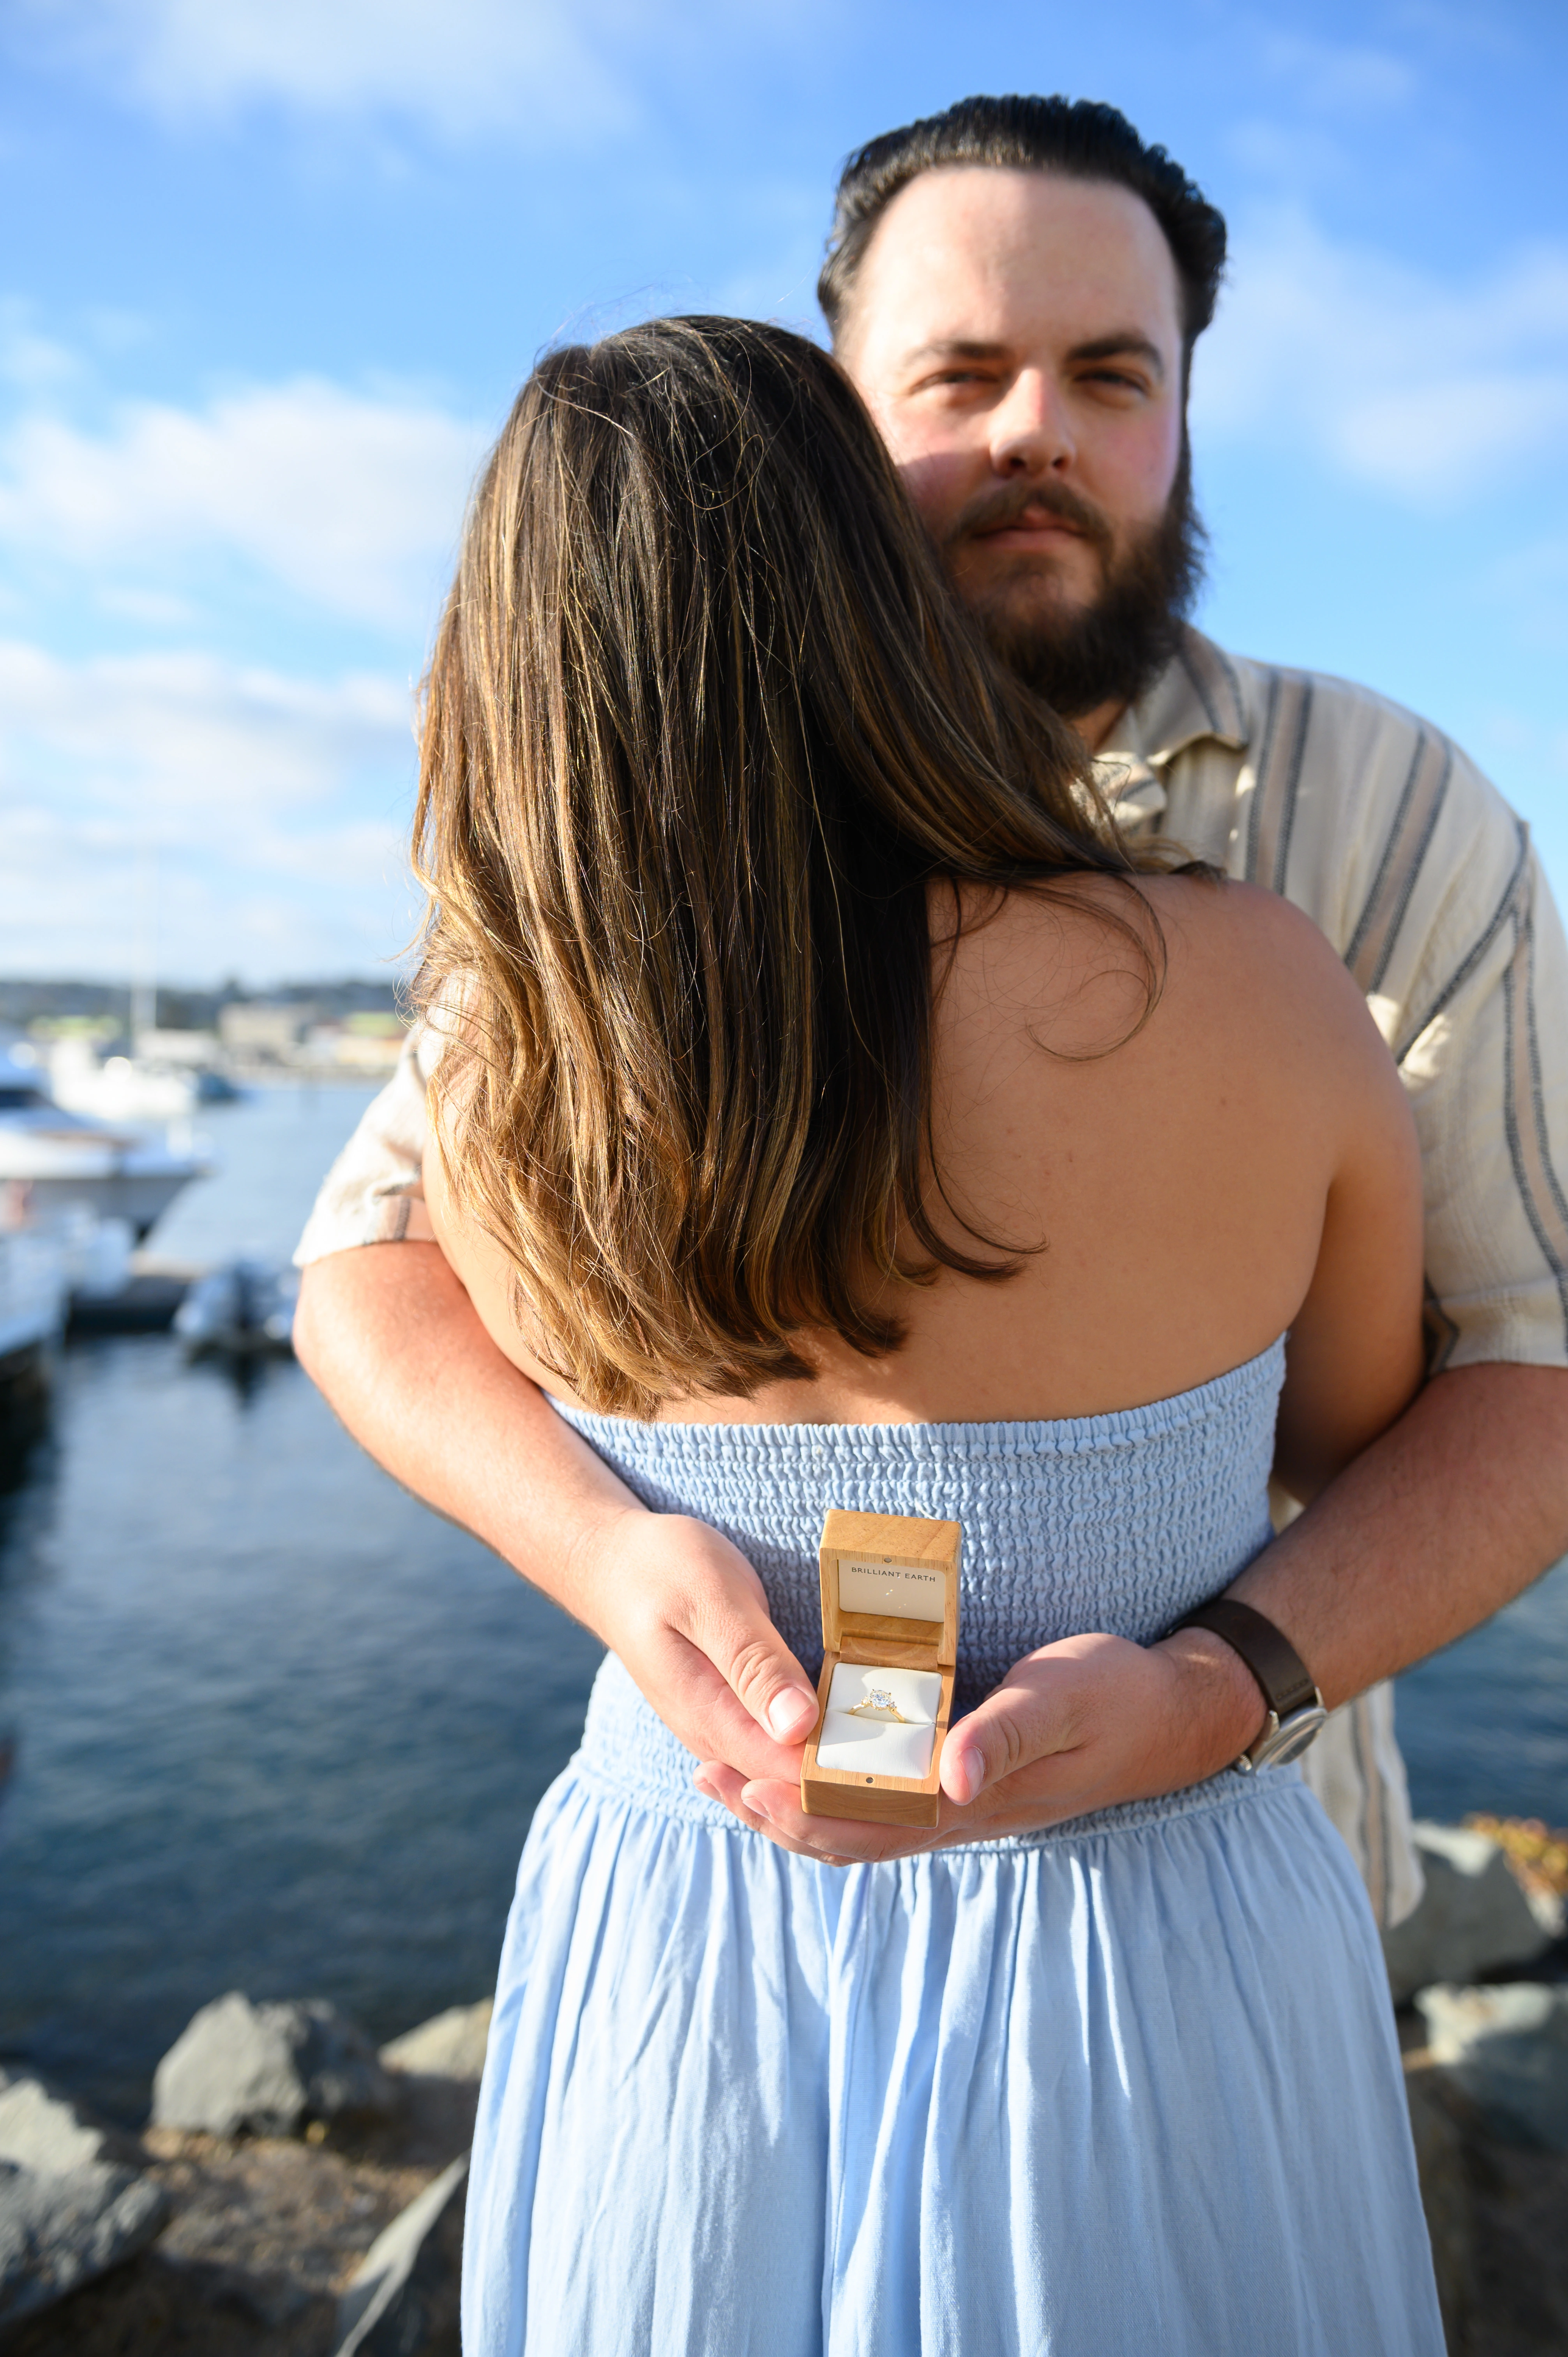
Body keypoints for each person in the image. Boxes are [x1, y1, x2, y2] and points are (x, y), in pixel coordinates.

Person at [294, 95, 1568, 1933]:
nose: (1036, 430)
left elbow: (1533, 1366)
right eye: (961, 373)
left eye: (1111, 376)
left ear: (1190, 414)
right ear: (833, 412)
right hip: (750, 1872)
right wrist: (598, 1548)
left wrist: (1226, 1687)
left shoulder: (1393, 811)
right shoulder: (642, 845)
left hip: (1236, 1850)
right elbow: (366, 1256)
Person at [403, 312, 1441, 2352]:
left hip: (685, 1939)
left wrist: (626, 1549)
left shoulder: (488, 1078)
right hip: (1146, 1933)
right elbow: (1354, 1434)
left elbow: (386, 1310)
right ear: (876, 589)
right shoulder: (1249, 989)